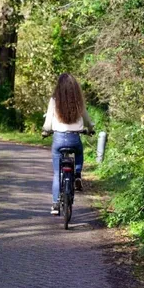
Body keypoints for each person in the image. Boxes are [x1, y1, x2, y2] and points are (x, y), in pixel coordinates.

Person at [41, 73, 94, 215]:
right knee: (79, 152)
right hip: (74, 138)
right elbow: (88, 121)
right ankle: (77, 174)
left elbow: (48, 124)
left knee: (57, 173)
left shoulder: (54, 100)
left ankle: (55, 204)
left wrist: (46, 131)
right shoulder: (78, 101)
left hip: (58, 139)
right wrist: (90, 129)